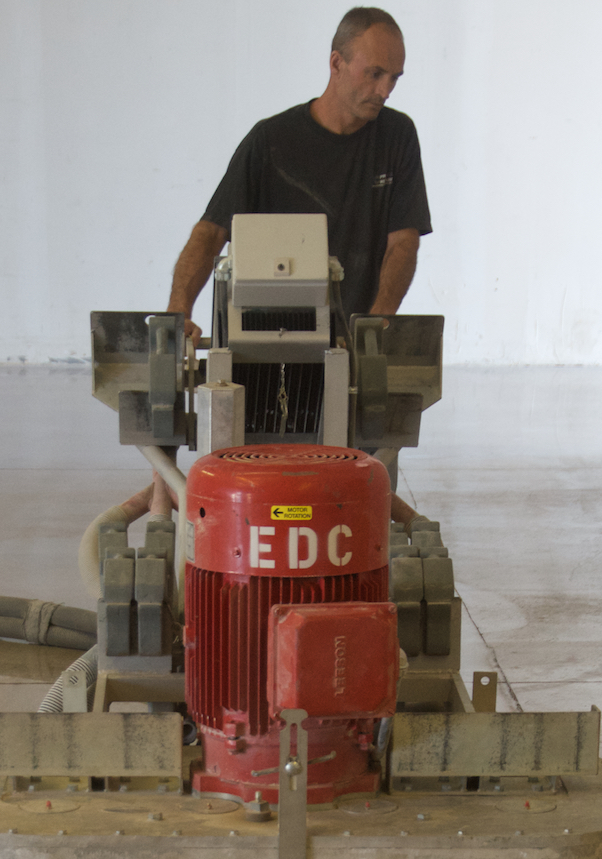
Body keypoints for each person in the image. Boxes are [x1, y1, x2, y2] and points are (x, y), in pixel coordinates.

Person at [150, 7, 430, 524]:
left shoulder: (397, 137)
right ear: (336, 63)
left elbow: (403, 244)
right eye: (375, 73)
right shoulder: (270, 142)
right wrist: (176, 316)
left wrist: (375, 327)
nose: (386, 89)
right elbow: (210, 234)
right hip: (248, 366)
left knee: (338, 500)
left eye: (395, 77)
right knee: (233, 500)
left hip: (342, 359)